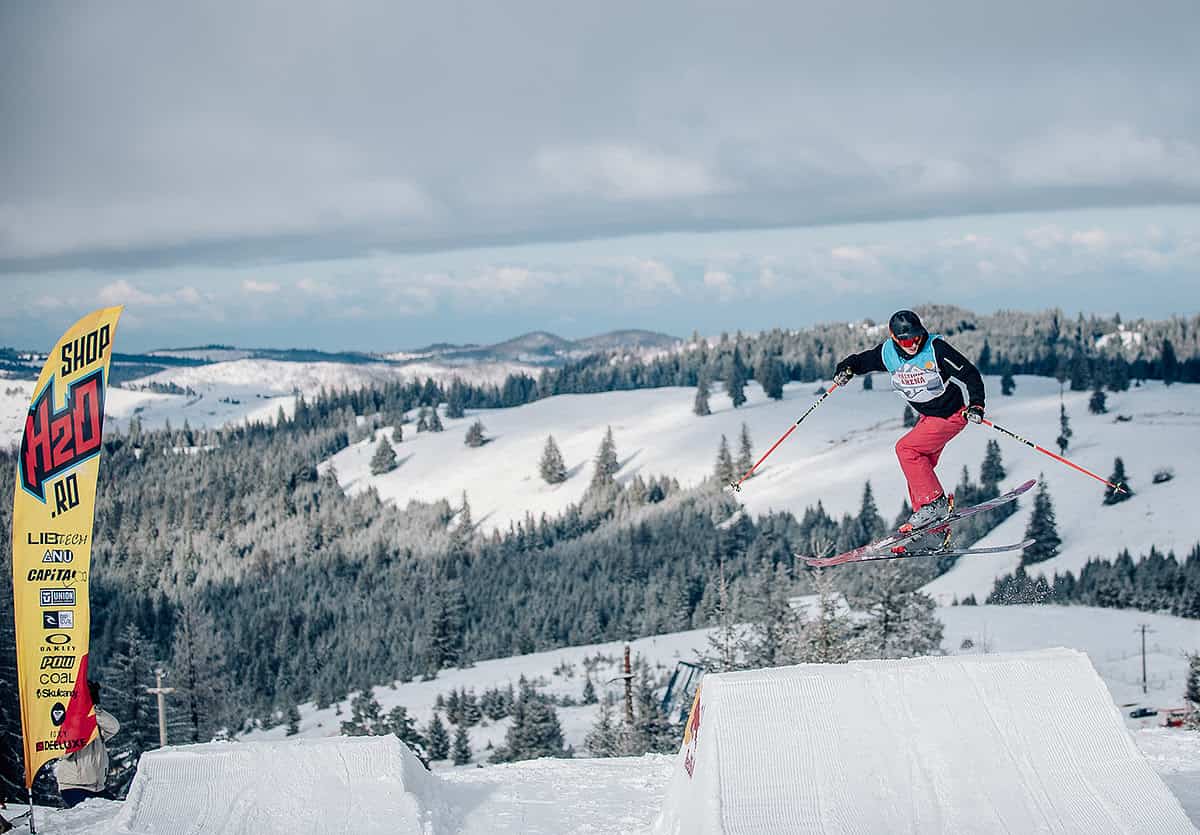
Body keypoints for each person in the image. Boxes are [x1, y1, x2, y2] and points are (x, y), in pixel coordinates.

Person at [834, 309, 986, 538]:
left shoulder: (935, 350)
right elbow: (861, 361)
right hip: (929, 418)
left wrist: (976, 404)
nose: (913, 344)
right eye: (906, 340)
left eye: (916, 337)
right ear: (895, 338)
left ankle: (934, 504)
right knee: (918, 469)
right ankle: (932, 531)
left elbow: (970, 374)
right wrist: (846, 369)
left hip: (950, 415)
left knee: (906, 449)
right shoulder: (888, 354)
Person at [54, 680, 120, 809]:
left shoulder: (96, 726)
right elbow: (62, 753)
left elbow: (114, 727)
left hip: (98, 788)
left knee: (118, 812)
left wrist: (95, 711)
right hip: (73, 787)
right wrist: (78, 721)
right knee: (94, 815)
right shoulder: (66, 723)